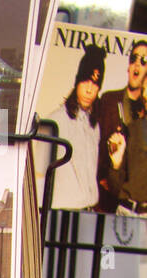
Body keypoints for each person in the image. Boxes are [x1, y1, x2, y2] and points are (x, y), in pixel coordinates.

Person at [44, 43, 106, 210]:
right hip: (61, 212)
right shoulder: (56, 121)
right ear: (77, 81)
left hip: (88, 209)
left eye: (95, 83)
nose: (89, 89)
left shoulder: (95, 126)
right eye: (85, 80)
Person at [98, 39, 147, 213]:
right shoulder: (109, 101)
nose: (137, 64)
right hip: (106, 199)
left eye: (144, 60)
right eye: (133, 59)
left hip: (134, 205)